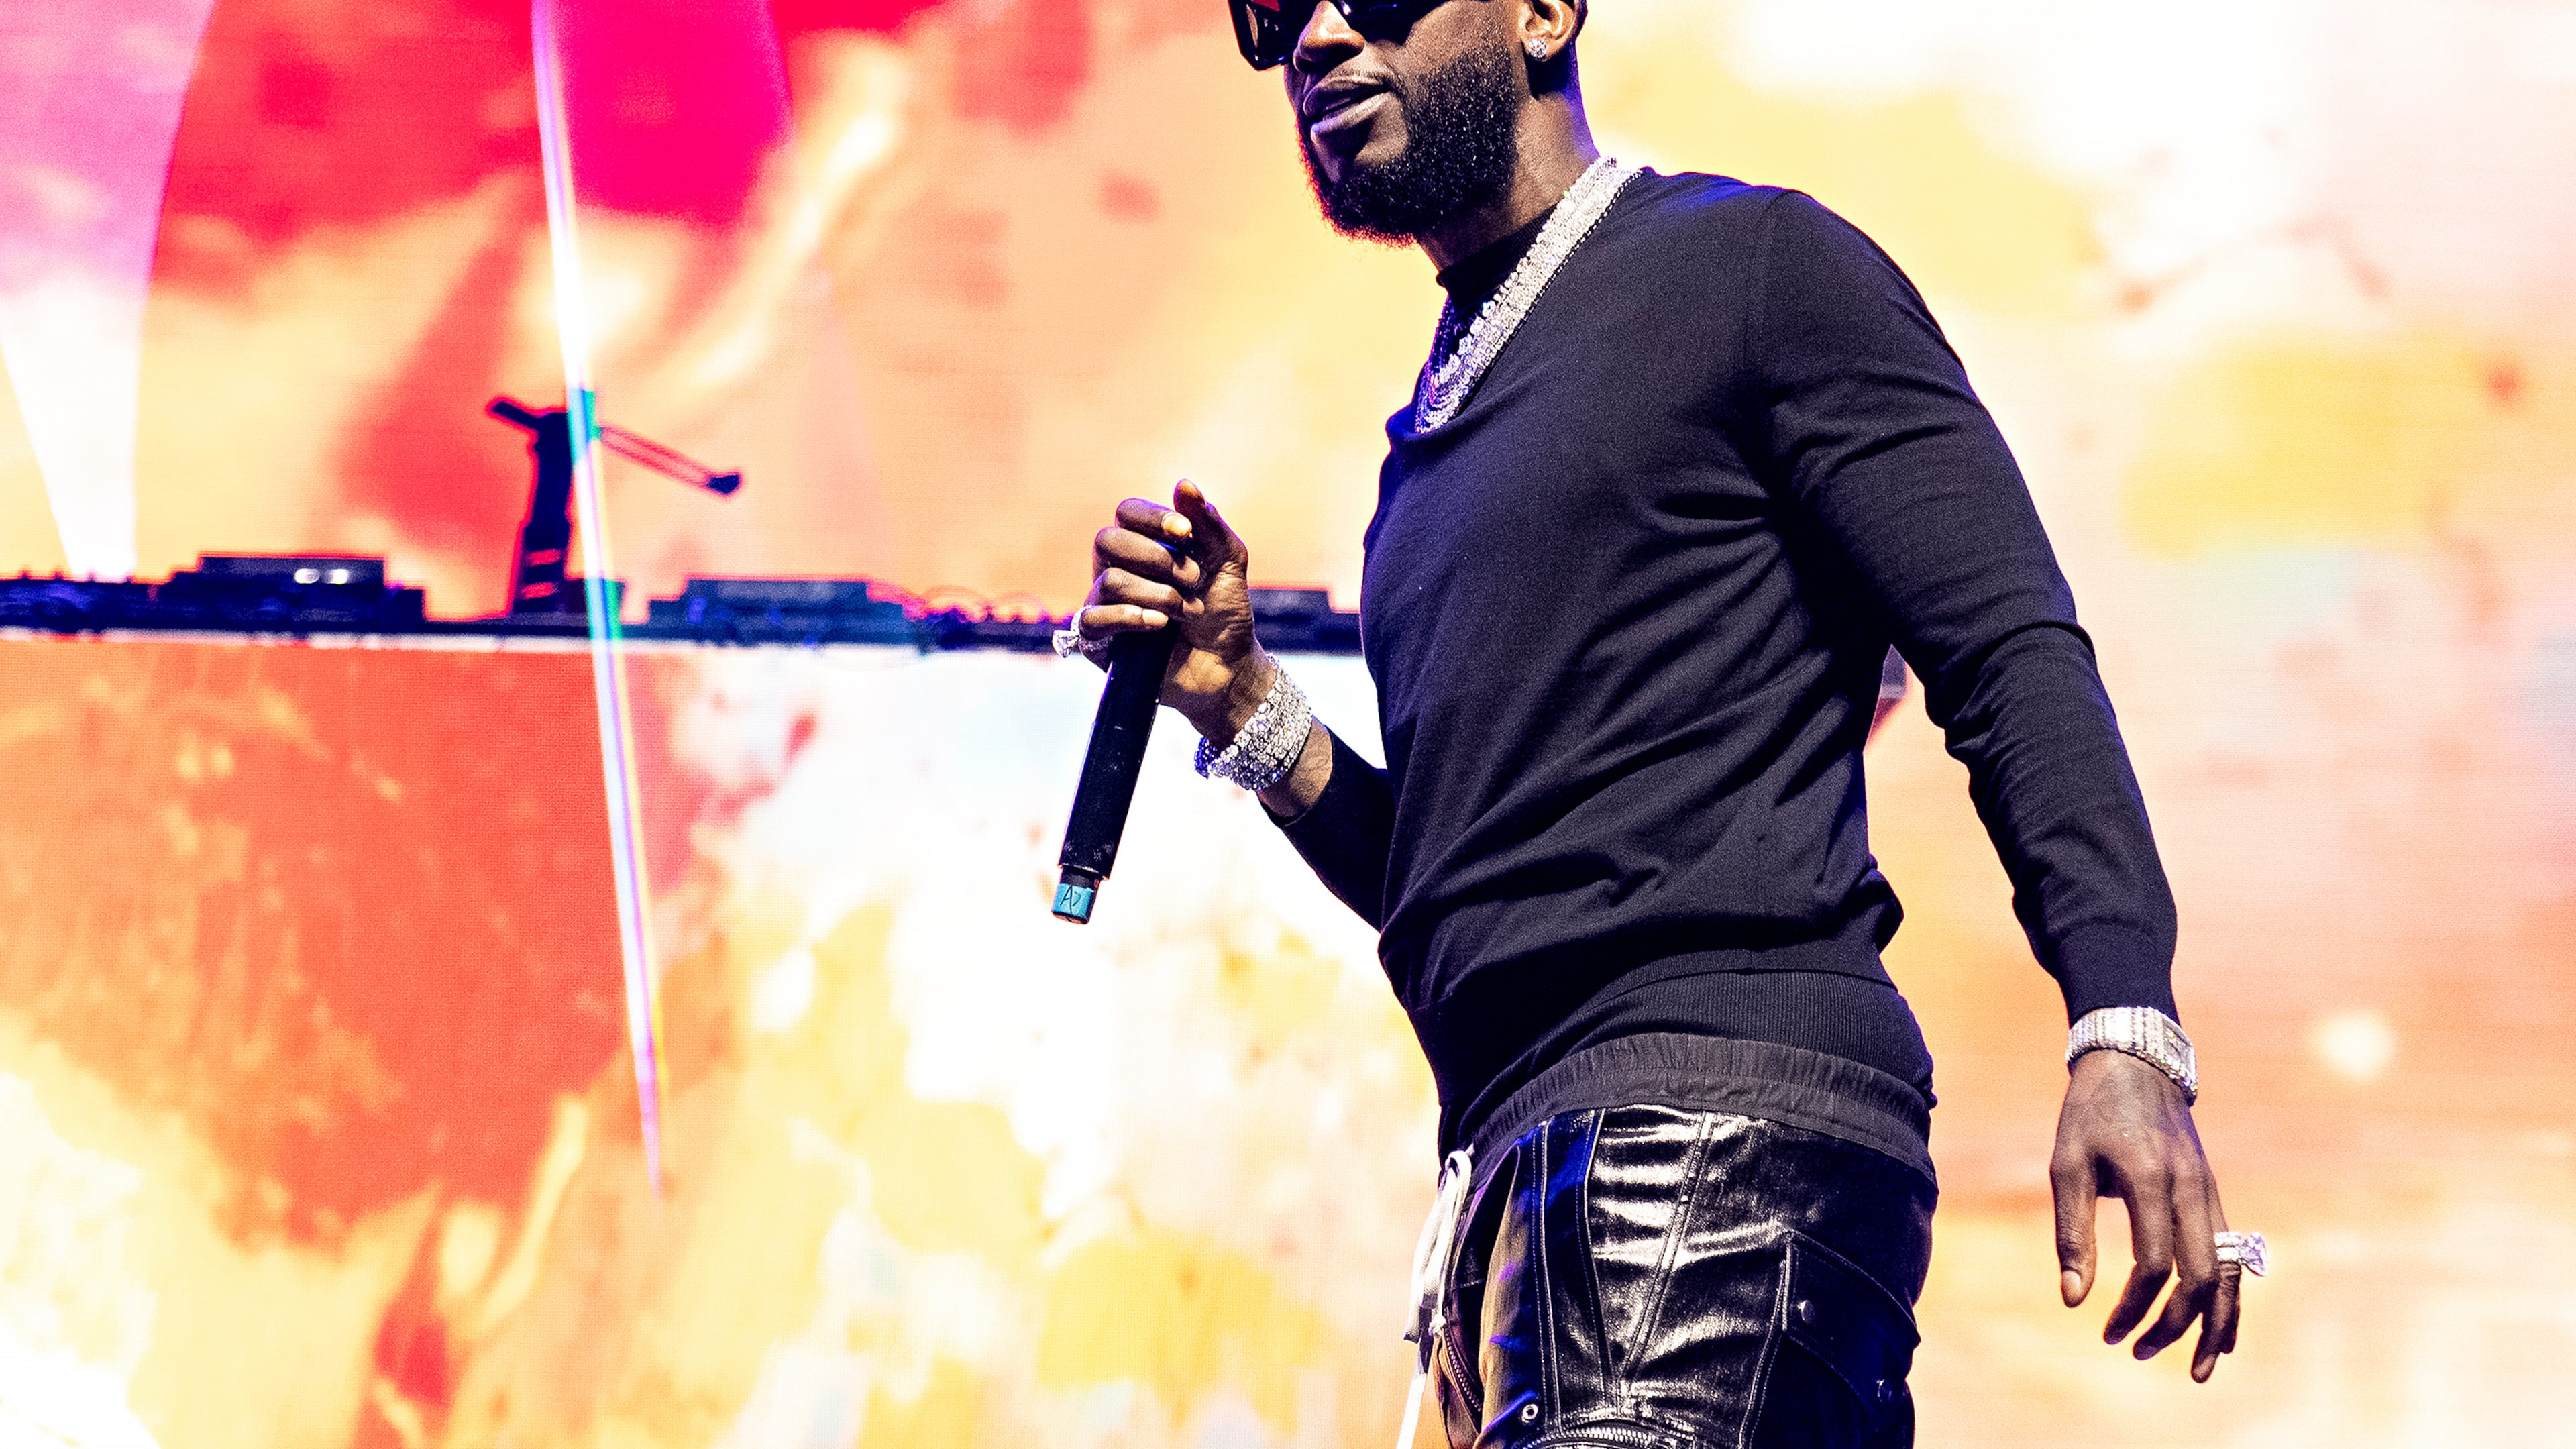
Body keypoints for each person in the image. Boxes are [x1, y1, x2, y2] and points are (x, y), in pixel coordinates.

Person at [1065, 2, 2256, 1444]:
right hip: (1526, 1191)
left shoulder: (1755, 273)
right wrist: (1250, 706)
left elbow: (2005, 647)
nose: (1316, 36)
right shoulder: (1418, 479)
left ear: (1546, 10)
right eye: (1272, 9)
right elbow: (1478, 905)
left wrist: (2123, 1023)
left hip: (1697, 1165)